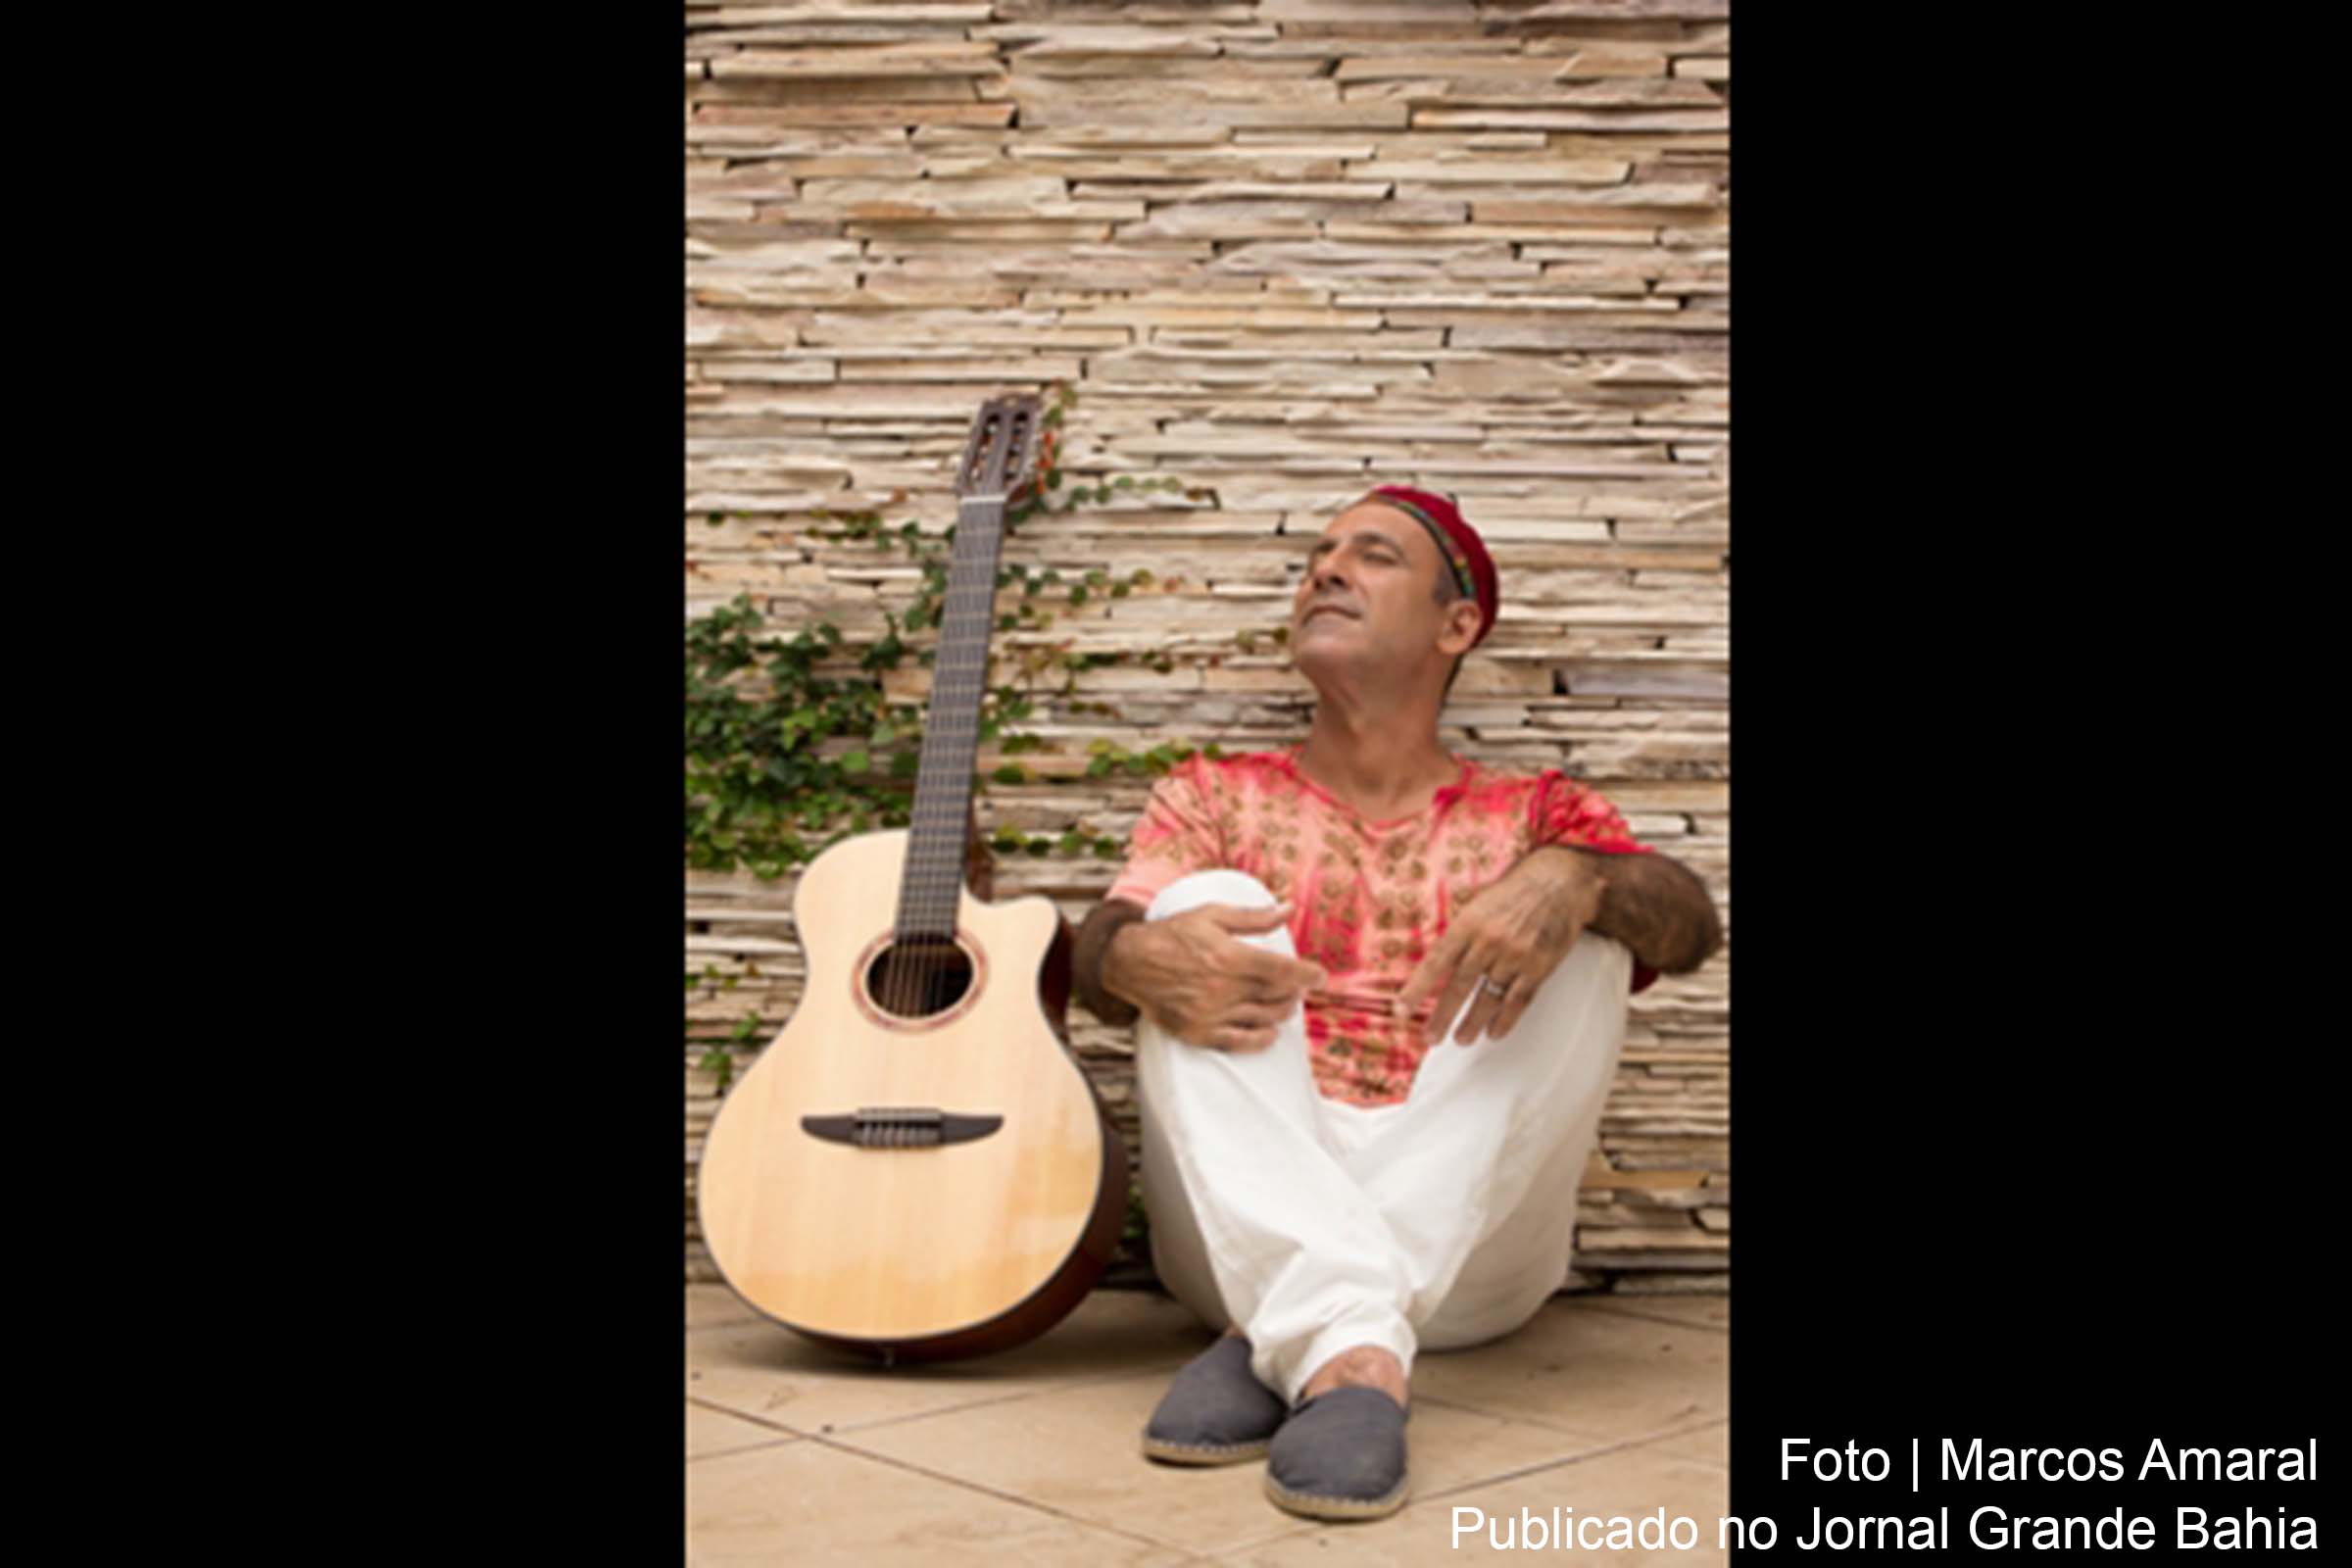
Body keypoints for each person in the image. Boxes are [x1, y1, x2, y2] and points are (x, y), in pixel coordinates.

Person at [1068, 485, 1724, 1523]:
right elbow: (1093, 960)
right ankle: (1357, 1355)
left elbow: (1689, 928)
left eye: (1373, 555)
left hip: (1472, 1254)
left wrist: (1576, 876)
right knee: (1195, 906)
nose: (1325, 570)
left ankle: (1293, 1328)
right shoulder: (1214, 795)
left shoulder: (1536, 810)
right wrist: (1124, 956)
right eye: (1319, 555)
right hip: (1235, 1233)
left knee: (1593, 916)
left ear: (1456, 625)